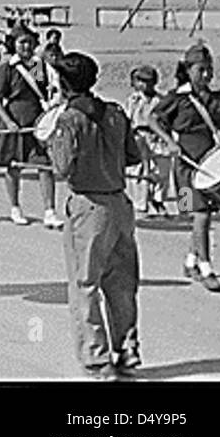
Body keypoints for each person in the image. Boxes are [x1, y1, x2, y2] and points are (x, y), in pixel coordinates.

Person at [47, 51, 143, 379]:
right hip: (120, 204)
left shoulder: (68, 120)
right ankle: (127, 353)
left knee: (85, 285)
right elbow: (133, 156)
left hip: (89, 207)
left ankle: (98, 361)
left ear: (62, 84)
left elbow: (61, 168)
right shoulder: (115, 112)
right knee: (122, 285)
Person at [148, 43, 220, 292]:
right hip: (184, 168)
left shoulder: (217, 99)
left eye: (209, 70)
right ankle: (206, 267)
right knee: (199, 214)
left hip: (209, 168)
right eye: (201, 70)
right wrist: (170, 141)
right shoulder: (177, 98)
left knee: (204, 215)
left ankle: (191, 260)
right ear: (188, 69)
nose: (206, 75)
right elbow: (152, 118)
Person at [0, 26, 62, 229]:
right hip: (15, 119)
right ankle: (15, 207)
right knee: (13, 166)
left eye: (30, 42)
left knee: (44, 166)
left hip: (37, 122)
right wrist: (8, 122)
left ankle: (49, 211)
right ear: (13, 45)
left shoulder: (37, 65)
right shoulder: (6, 68)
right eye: (22, 42)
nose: (26, 46)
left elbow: (44, 92)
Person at [126, 66, 170, 216]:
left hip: (156, 138)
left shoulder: (161, 101)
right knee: (140, 171)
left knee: (161, 171)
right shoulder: (133, 100)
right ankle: (141, 203)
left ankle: (158, 200)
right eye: (141, 81)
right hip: (139, 137)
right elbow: (129, 120)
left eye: (148, 81)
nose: (145, 85)